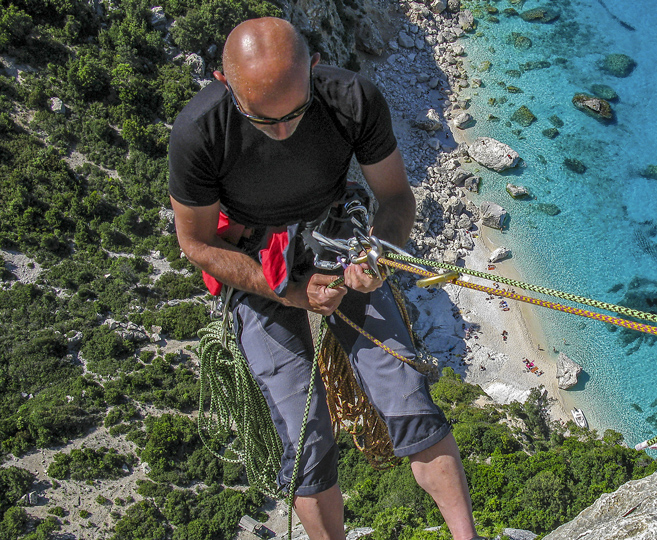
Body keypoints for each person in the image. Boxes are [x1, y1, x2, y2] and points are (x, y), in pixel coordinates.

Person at [168, 17, 481, 540]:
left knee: (409, 401)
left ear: (314, 69)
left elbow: (397, 199)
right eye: (264, 120)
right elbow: (196, 243)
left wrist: (376, 256)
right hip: (258, 262)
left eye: (296, 112)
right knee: (304, 439)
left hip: (339, 238)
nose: (284, 131)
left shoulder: (350, 99)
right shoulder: (199, 133)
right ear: (226, 86)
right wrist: (288, 290)